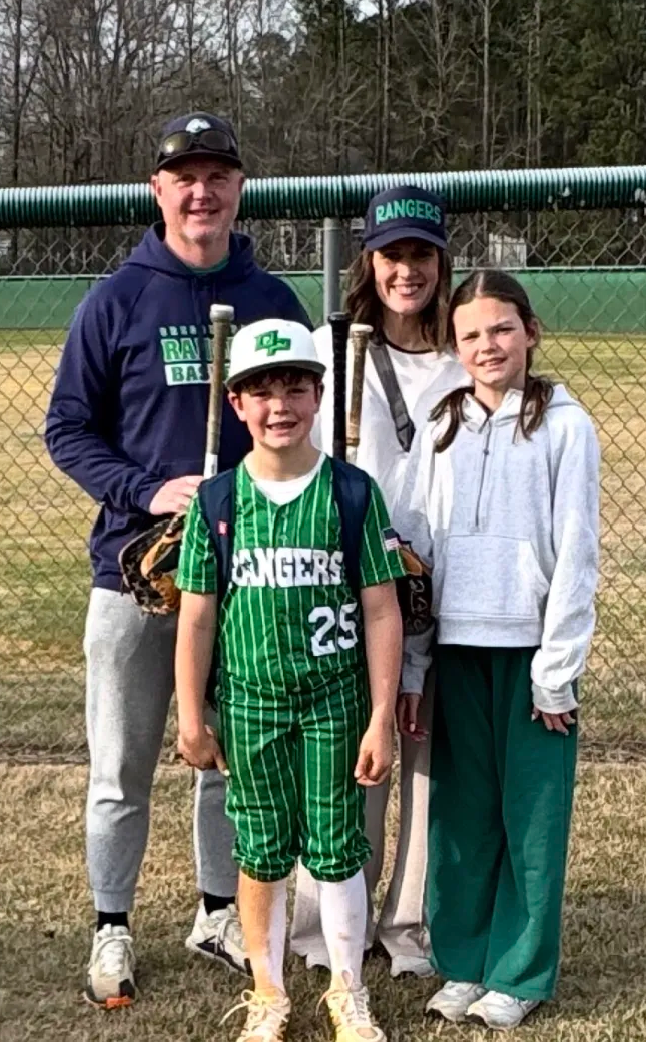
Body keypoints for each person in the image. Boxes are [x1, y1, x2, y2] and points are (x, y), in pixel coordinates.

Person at [44, 111, 310, 1009]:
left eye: (217, 175)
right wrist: (151, 491)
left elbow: (305, 433)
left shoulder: (274, 300)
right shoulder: (116, 299)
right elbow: (67, 430)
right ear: (158, 191)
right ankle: (111, 927)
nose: (201, 192)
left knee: (224, 753)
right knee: (120, 764)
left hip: (250, 579)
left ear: (239, 190)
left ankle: (216, 914)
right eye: (183, 176)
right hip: (136, 569)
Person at [175, 318, 405, 1042]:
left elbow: (380, 611)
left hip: (334, 700)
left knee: (338, 850)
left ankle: (347, 989)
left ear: (319, 394)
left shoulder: (351, 494)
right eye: (262, 392)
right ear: (237, 404)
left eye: (296, 389)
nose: (280, 406)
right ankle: (268, 992)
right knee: (262, 853)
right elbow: (197, 621)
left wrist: (379, 716)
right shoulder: (217, 504)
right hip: (251, 702)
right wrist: (190, 714)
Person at [394, 269, 600, 1030]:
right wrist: (414, 663)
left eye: (502, 329)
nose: (488, 345)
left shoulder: (565, 425)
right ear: (455, 345)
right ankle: (463, 960)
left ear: (531, 332)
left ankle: (520, 970)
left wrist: (556, 673)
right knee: (463, 813)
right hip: (455, 649)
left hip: (529, 656)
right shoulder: (441, 422)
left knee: (532, 819)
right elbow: (414, 549)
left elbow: (576, 555)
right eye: (471, 334)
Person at [292, 185, 466, 979]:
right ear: (368, 258)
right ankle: (325, 924)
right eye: (393, 254)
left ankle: (409, 928)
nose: (407, 270)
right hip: (345, 582)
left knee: (424, 754)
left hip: (436, 584)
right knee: (346, 755)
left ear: (441, 261)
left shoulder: (465, 356)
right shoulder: (332, 351)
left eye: (421, 255)